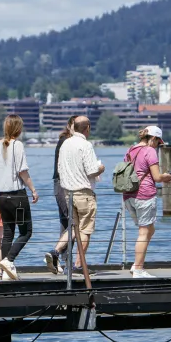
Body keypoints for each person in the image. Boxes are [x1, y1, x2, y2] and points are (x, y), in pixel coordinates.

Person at [0, 114, 39, 281]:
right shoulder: (17, 145)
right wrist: (33, 189)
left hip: (1, 196)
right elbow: (22, 171)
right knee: (26, 232)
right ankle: (8, 261)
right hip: (16, 197)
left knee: (8, 233)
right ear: (18, 129)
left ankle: (4, 272)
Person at [55, 116, 105, 274]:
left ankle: (54, 252)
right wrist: (101, 168)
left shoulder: (65, 143)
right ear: (87, 128)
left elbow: (60, 168)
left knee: (72, 228)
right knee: (85, 230)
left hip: (68, 193)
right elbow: (91, 171)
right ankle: (78, 265)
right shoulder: (86, 145)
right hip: (84, 193)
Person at [123, 126, 171, 279]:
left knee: (149, 230)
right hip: (144, 194)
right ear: (153, 138)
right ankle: (138, 269)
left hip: (128, 195)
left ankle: (136, 264)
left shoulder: (131, 149)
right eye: (158, 141)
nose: (157, 145)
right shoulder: (150, 151)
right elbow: (157, 177)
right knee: (144, 232)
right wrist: (167, 176)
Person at [44, 115, 77, 274]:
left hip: (59, 185)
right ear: (71, 126)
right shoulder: (67, 142)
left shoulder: (63, 140)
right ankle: (57, 255)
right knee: (73, 223)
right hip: (64, 185)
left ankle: (62, 262)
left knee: (65, 224)